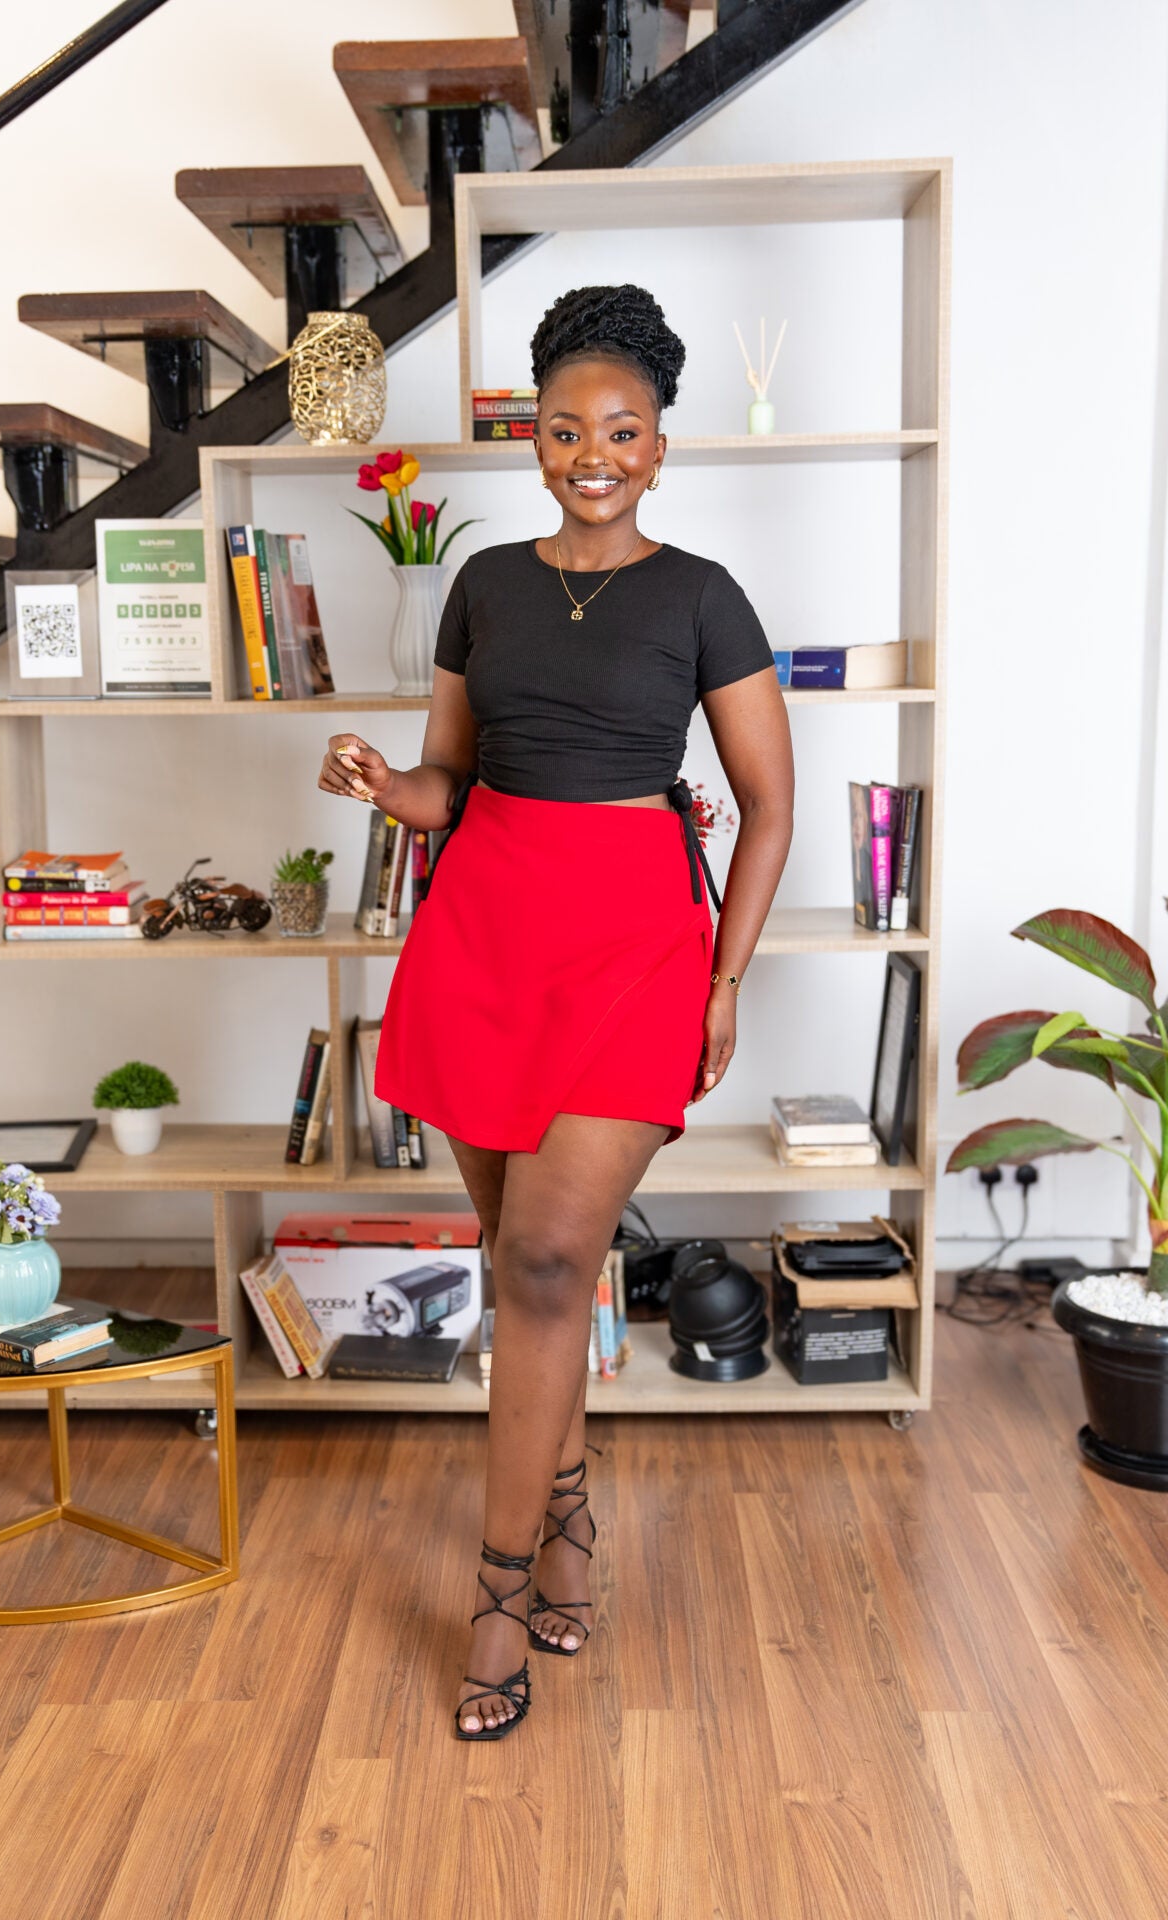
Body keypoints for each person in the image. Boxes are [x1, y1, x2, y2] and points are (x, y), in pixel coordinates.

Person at [317, 282, 795, 1741]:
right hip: (487, 932)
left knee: (542, 1254)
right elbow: (449, 782)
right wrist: (386, 790)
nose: (593, 452)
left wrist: (725, 977)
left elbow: (769, 807)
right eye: (566, 426)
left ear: (661, 446)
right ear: (533, 435)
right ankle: (570, 1509)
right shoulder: (485, 585)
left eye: (624, 431)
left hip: (638, 945)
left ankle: (498, 1593)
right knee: (526, 1267)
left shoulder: (704, 593)